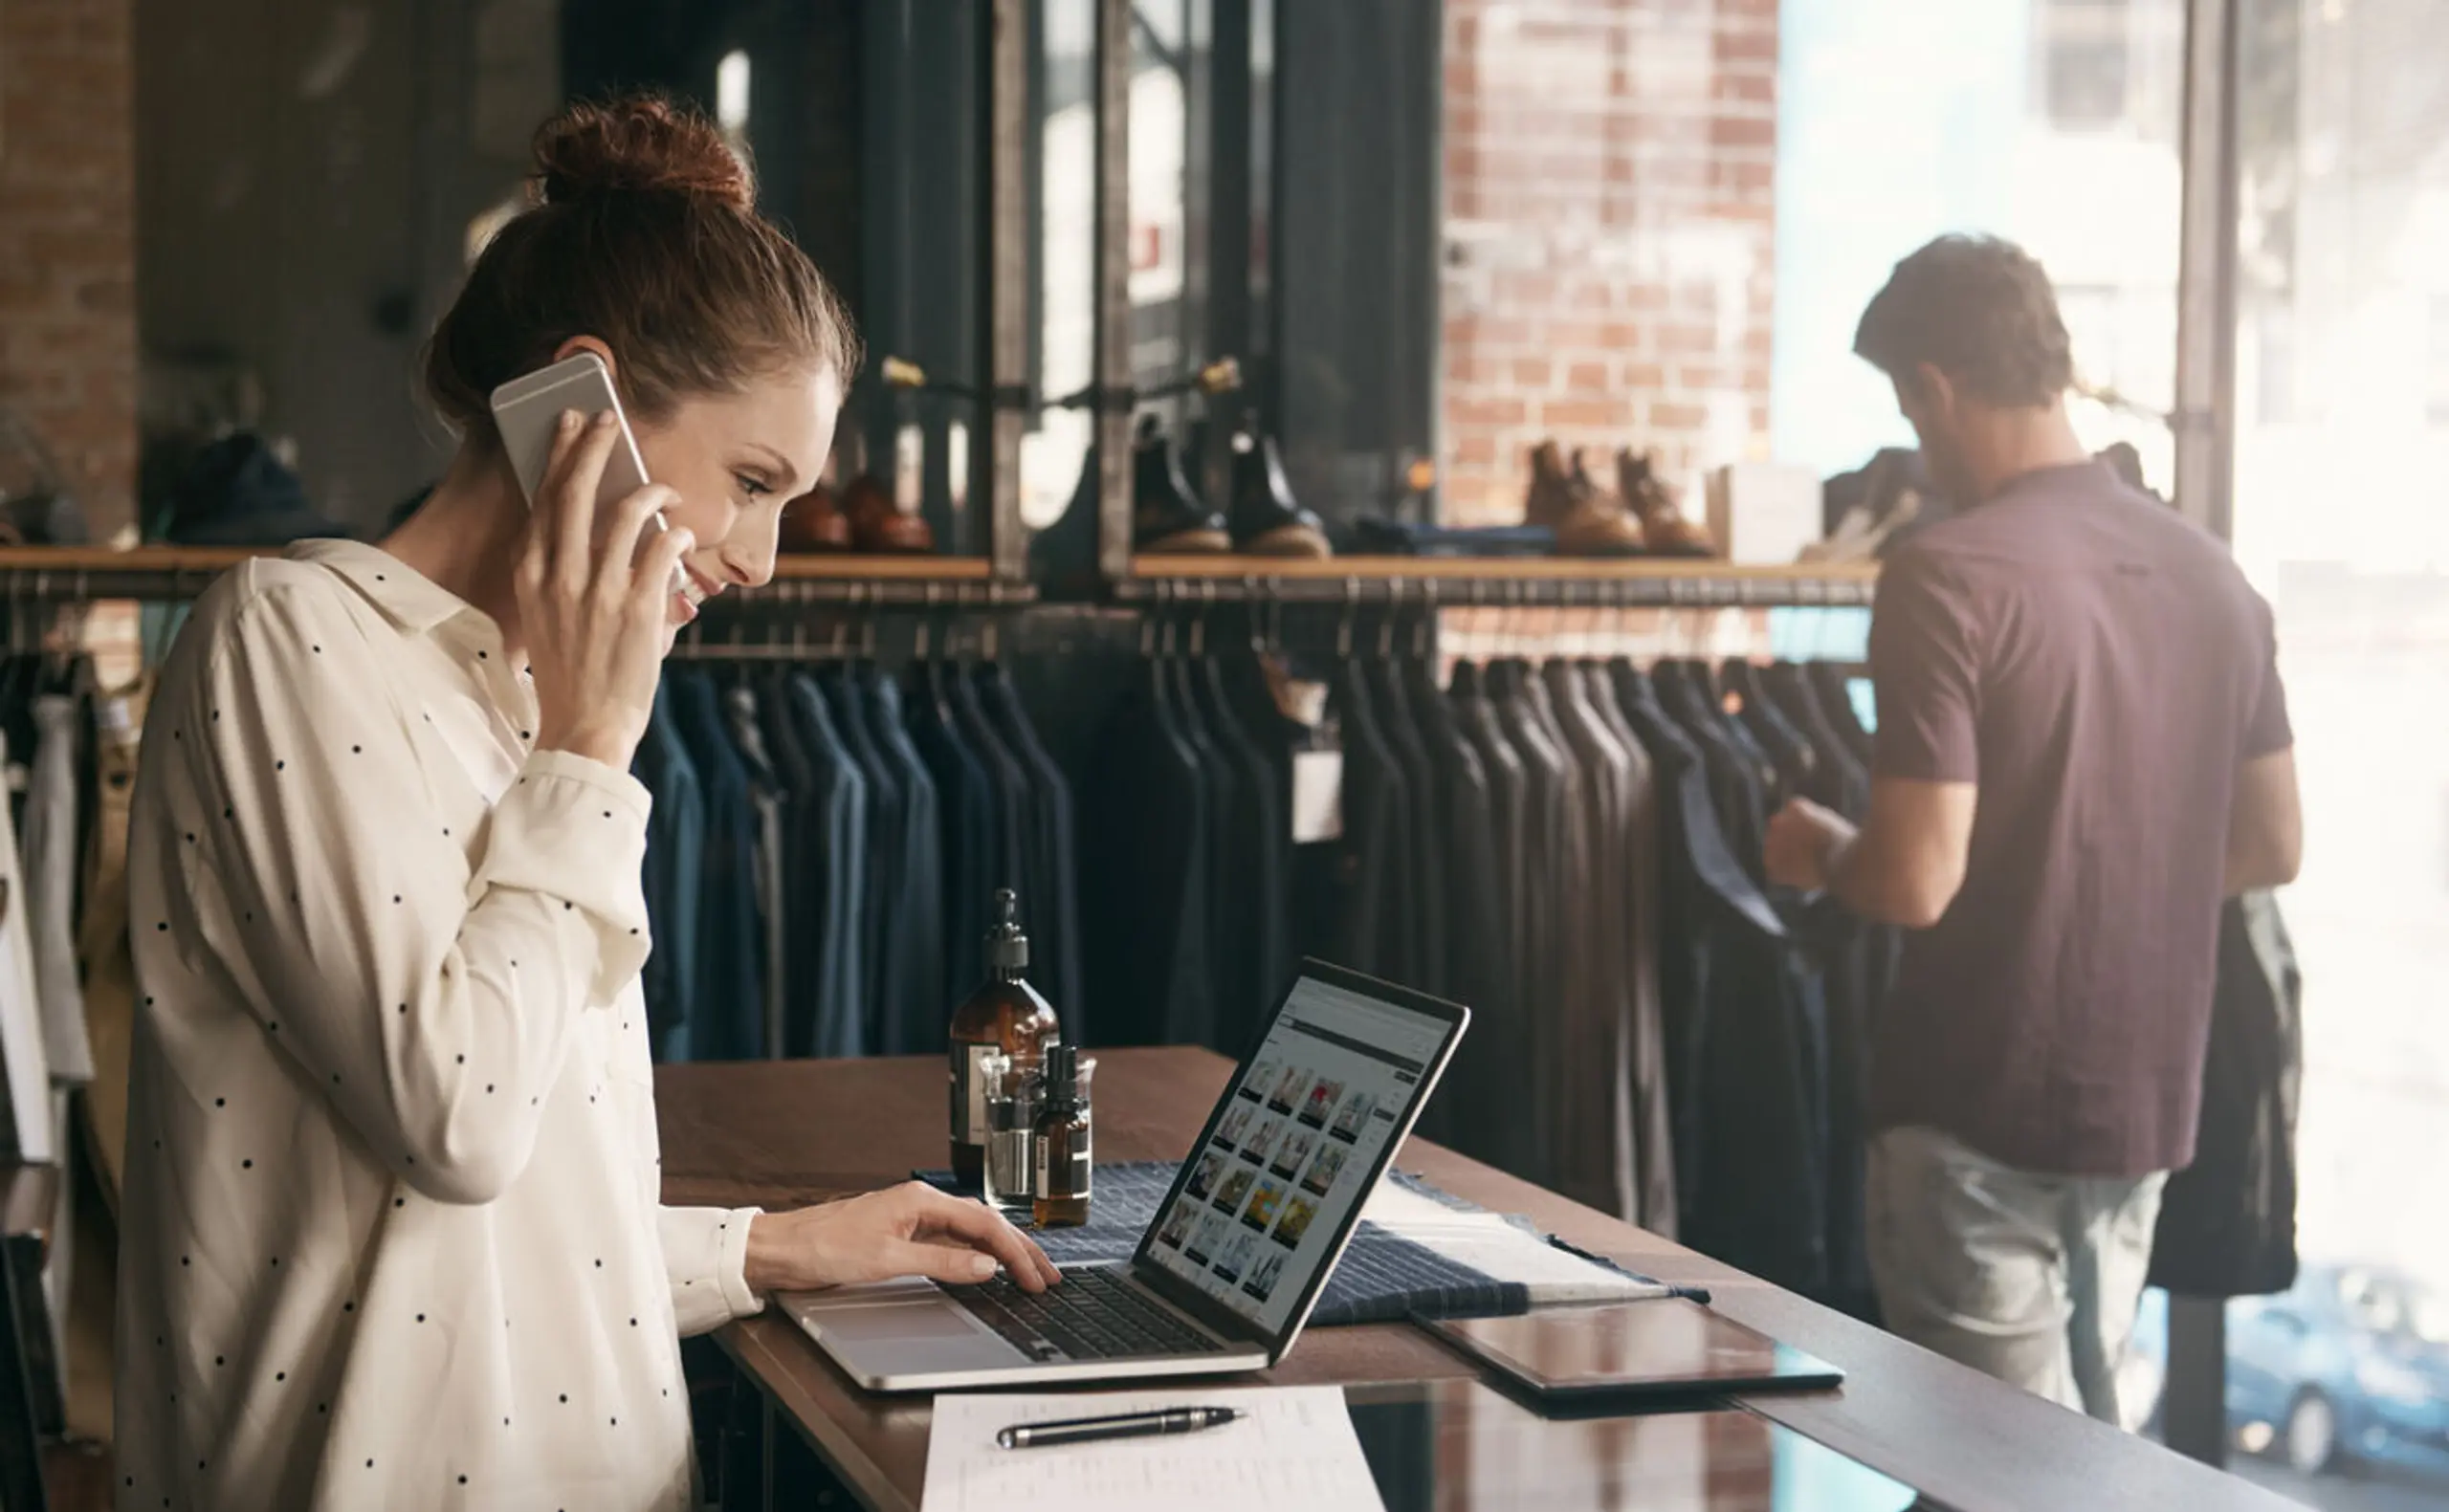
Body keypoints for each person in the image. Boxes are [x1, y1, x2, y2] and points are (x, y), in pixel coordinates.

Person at [114, 95, 1058, 1511]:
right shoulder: (291, 639)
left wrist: (769, 1248)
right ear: (582, 406)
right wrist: (597, 744)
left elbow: (507, 1228)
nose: (762, 559)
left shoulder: (528, 700)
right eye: (753, 481)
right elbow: (460, 1118)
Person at [1764, 234, 2303, 1423]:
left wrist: (1817, 848)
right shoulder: (2215, 575)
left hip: (1974, 1106)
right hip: (2142, 1108)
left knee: (1999, 1479)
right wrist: (2106, 876)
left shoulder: (1945, 575)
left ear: (1932, 389)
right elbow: (2272, 844)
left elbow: (1911, 878)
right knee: (2089, 1465)